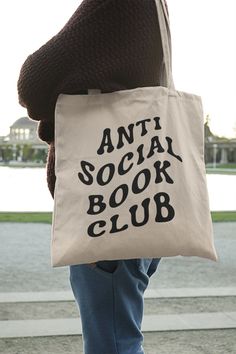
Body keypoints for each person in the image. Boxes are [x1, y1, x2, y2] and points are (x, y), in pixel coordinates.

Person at [17, 0, 169, 352]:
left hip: (106, 205)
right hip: (144, 196)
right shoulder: (155, 7)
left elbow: (33, 80)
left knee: (112, 344)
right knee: (120, 335)